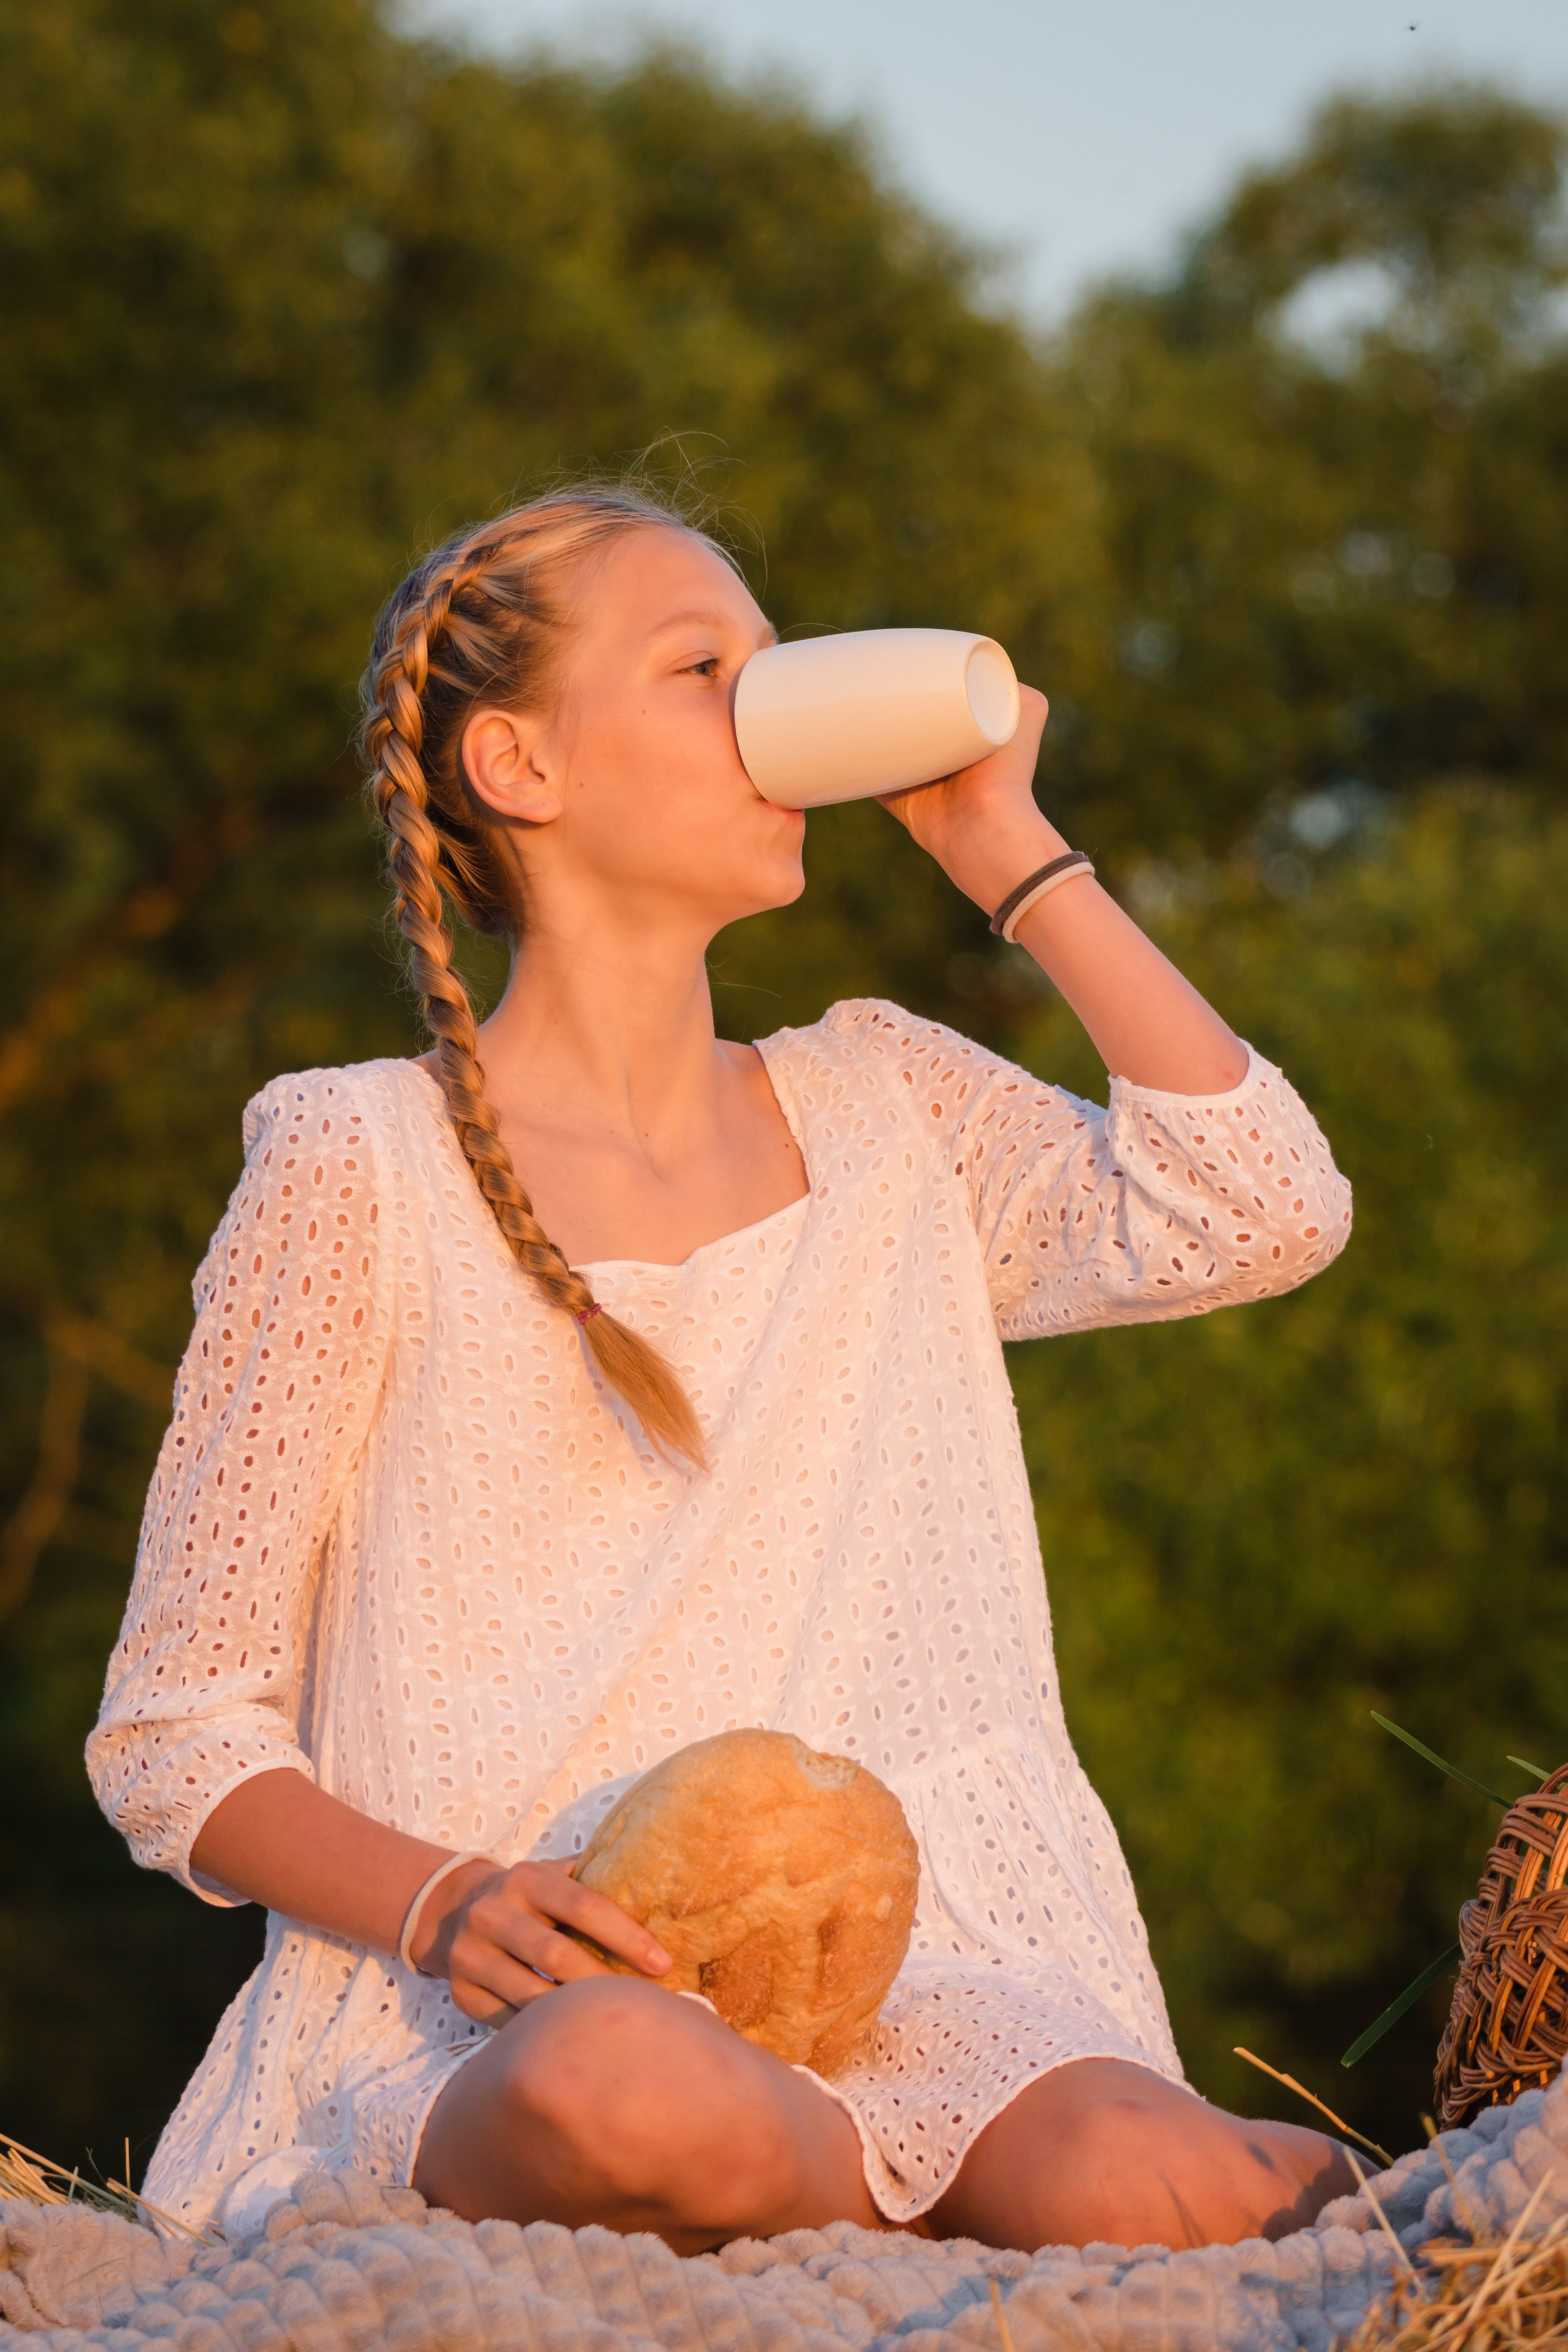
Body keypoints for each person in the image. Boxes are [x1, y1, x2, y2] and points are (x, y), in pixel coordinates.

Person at [89, 483, 1357, 2258]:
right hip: (506, 2016)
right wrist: (449, 1906)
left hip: (933, 1985)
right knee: (628, 2084)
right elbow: (174, 1734)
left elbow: (1260, 1210)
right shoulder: (352, 1163)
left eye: (779, 665)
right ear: (521, 765)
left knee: (1181, 2176)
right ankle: (901, 2215)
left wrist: (1010, 850)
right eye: (705, 668)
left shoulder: (890, 1107)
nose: (772, 711)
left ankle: (909, 2184)